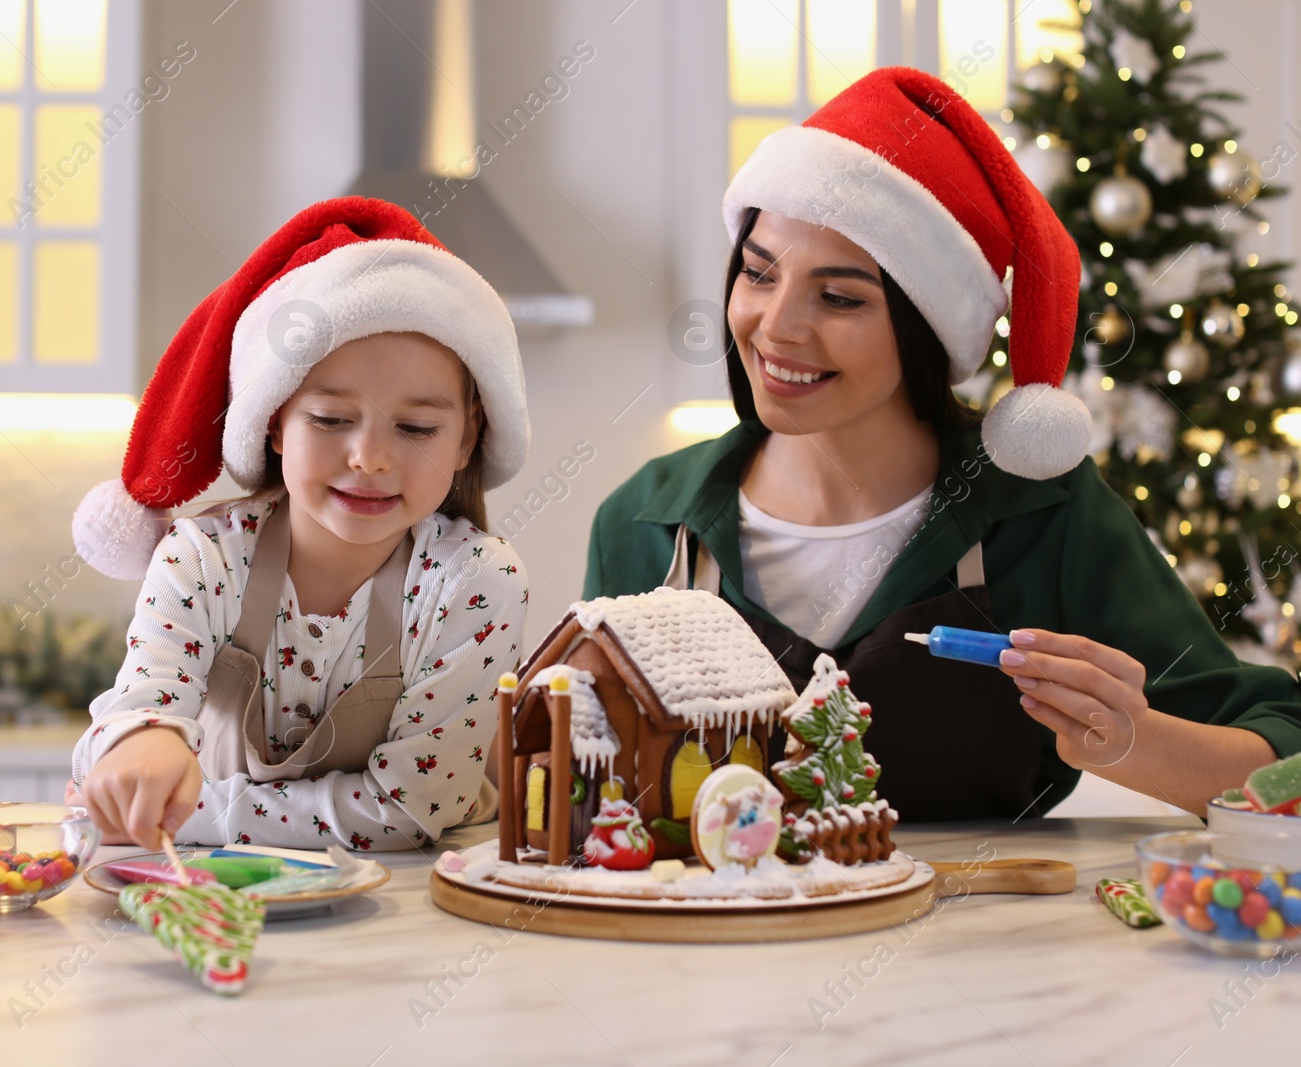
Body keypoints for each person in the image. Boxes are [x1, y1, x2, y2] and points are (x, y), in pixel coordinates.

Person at [585, 68, 1300, 819]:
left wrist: (1133, 740)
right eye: (759, 274)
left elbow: (1283, 756)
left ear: (928, 323)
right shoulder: (645, 524)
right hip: (699, 940)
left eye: (839, 297)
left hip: (983, 936)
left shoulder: (1044, 515)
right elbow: (586, 786)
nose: (777, 325)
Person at [67, 197, 530, 850]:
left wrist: (188, 811)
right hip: (220, 897)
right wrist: (136, 745)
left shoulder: (477, 581)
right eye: (331, 419)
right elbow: (134, 713)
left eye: (417, 427)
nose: (369, 457)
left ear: (465, 441)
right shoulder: (201, 558)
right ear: (275, 421)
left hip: (418, 912)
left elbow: (408, 807)